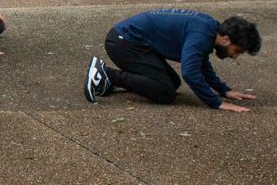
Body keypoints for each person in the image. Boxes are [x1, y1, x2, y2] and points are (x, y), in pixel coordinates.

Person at [85, 10, 261, 112]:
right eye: (237, 51)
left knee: (173, 83)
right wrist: (216, 103)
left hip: (132, 41)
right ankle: (106, 74)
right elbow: (190, 73)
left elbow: (200, 64)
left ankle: (107, 82)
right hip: (124, 42)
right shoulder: (202, 34)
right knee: (164, 92)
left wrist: (224, 90)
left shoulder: (209, 29)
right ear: (226, 40)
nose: (234, 56)